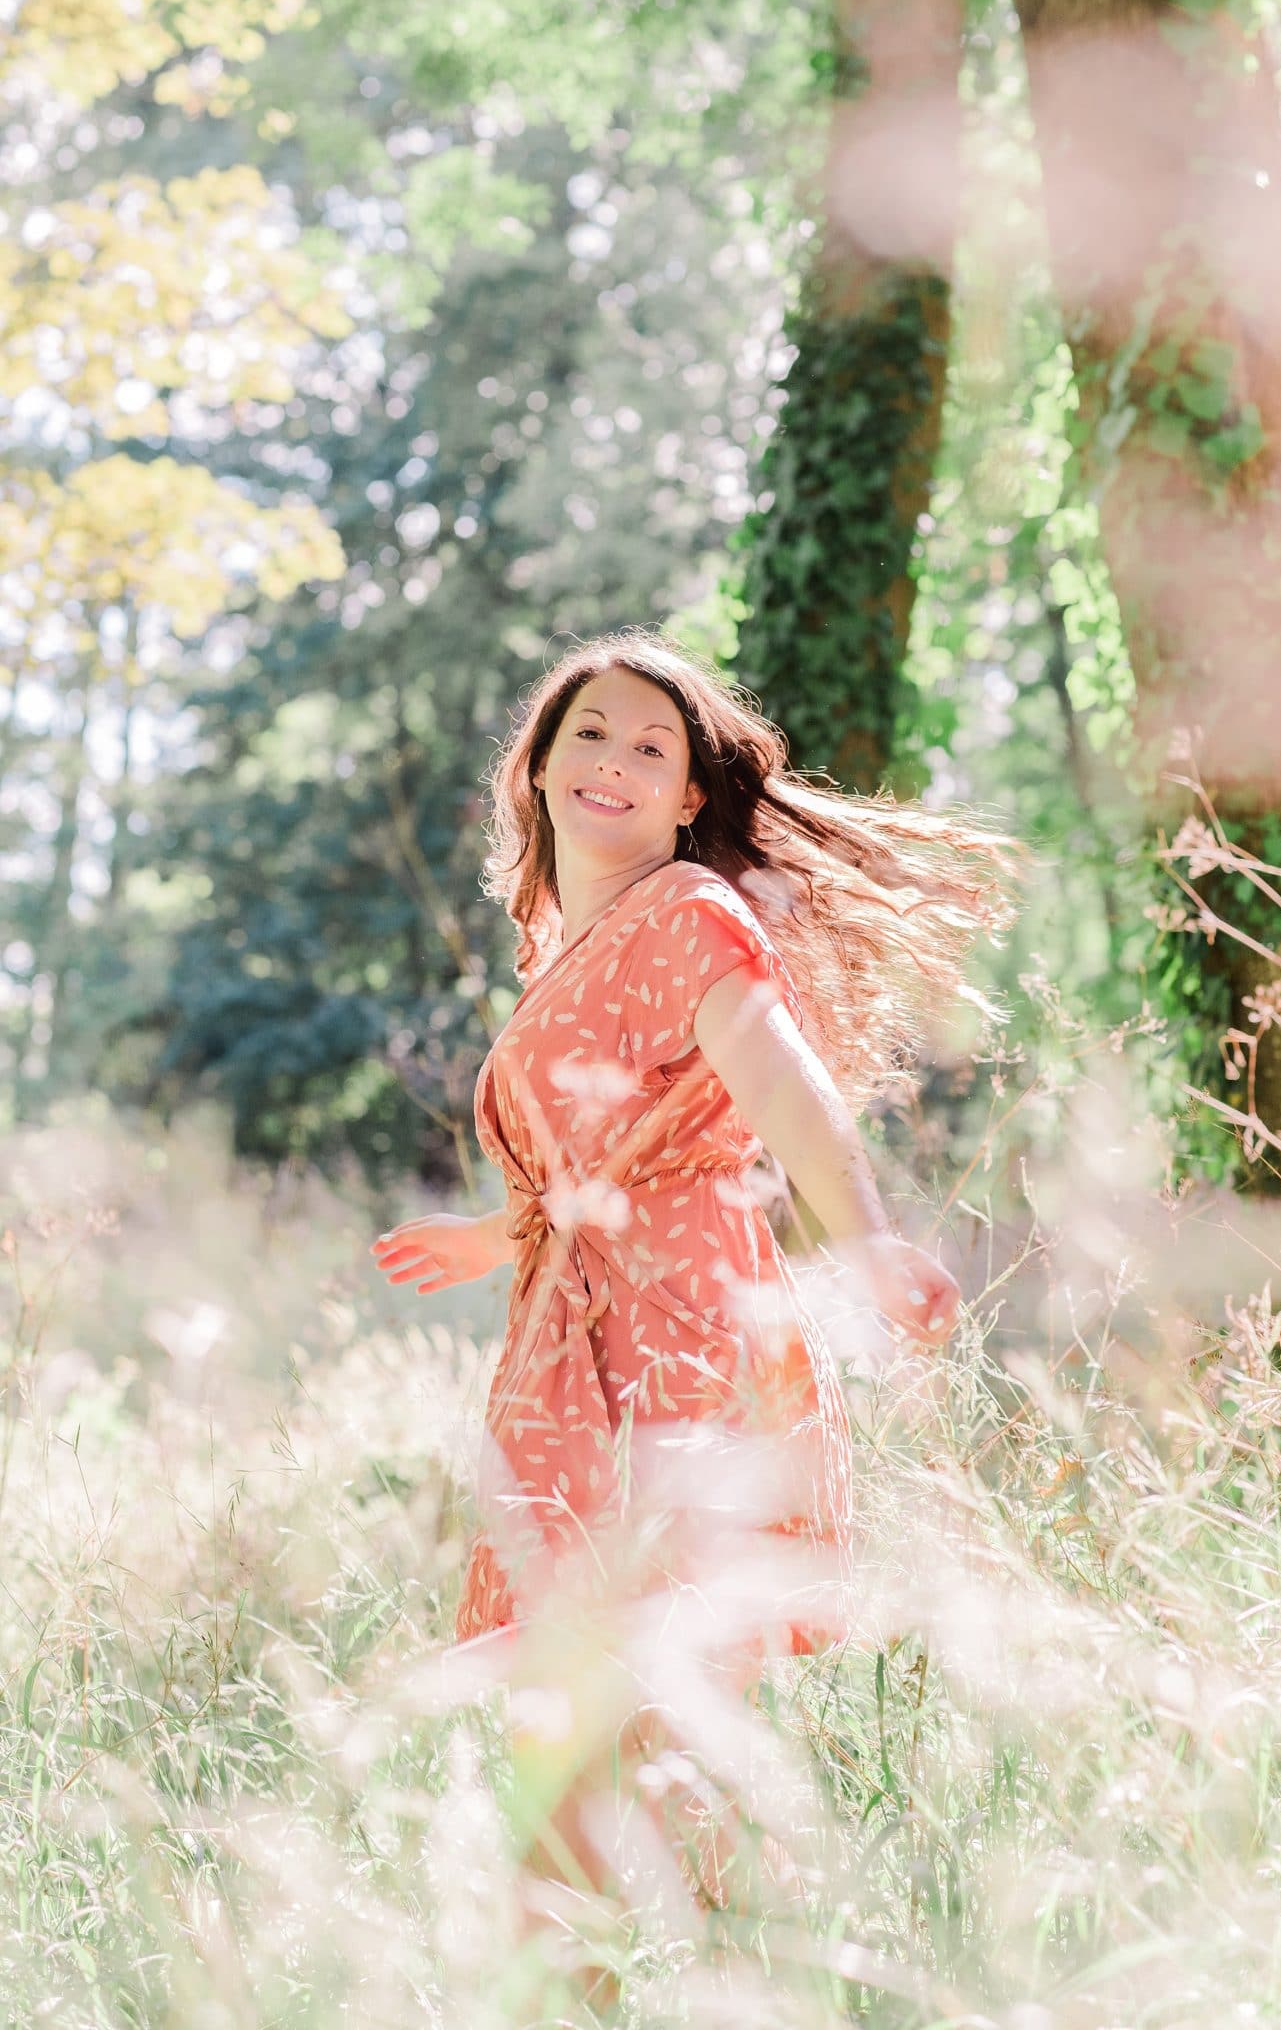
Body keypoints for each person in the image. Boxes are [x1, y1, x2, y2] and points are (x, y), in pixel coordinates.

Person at [370, 629, 1010, 1974]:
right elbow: (634, 1141)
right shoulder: (572, 948)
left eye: (651, 748)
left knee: (643, 1699)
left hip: (673, 1335)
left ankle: (700, 1985)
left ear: (687, 802)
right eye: (588, 733)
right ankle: (590, 1986)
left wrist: (868, 1245)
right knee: (573, 1704)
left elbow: (773, 1086)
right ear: (537, 771)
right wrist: (502, 1234)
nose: (613, 760)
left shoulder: (686, 915)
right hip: (569, 1332)